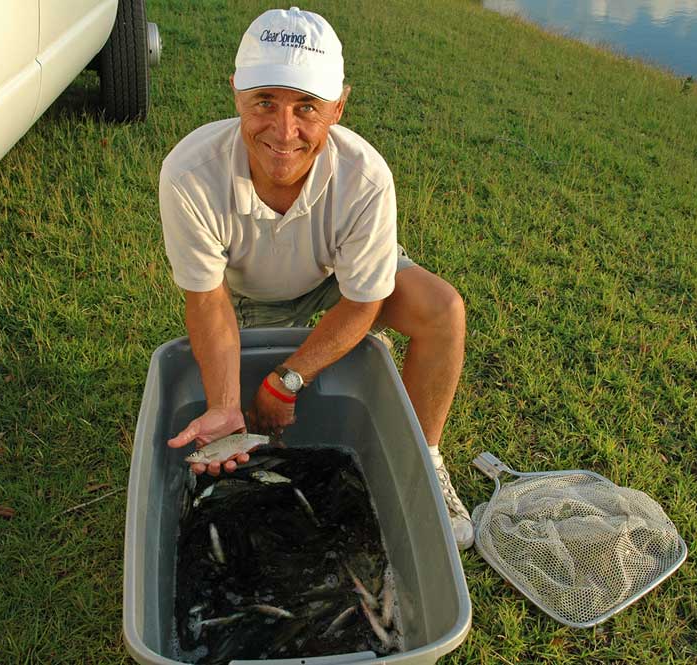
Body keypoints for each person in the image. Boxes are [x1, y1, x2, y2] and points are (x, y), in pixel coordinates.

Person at [158, 7, 473, 549]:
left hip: (338, 278)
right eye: (265, 102)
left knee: (442, 310)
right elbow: (208, 302)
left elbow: (363, 301)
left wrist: (290, 377)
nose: (284, 132)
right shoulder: (190, 173)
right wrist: (226, 403)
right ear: (236, 93)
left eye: (307, 107)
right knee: (244, 400)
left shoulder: (366, 177)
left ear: (339, 106)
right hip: (250, 291)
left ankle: (426, 462)